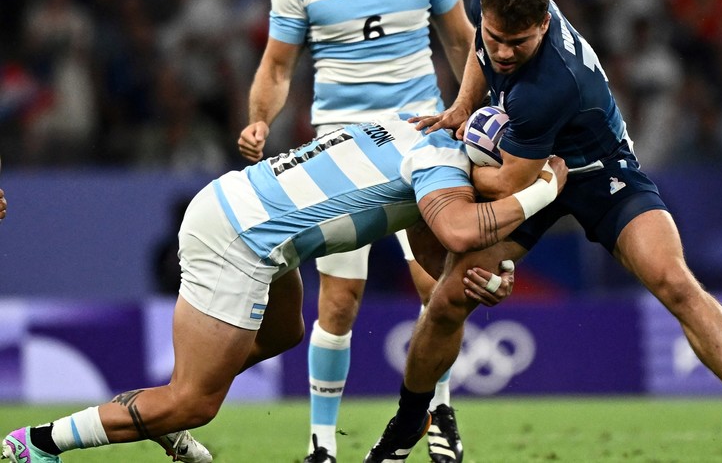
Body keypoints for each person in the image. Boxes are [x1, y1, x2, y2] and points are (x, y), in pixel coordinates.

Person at [365, 0, 722, 462]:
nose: (504, 53)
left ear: (545, 23)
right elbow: (477, 52)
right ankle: (407, 425)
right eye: (496, 38)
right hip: (532, 158)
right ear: (485, 15)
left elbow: (512, 180)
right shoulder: (493, 5)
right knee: (449, 298)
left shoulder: (552, 83)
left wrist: (451, 163)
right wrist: (462, 109)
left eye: (520, 43)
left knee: (673, 280)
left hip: (600, 172)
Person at [1, 114, 566, 463]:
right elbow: (461, 227)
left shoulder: (416, 128)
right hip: (240, 238)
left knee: (284, 332)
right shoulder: (444, 166)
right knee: (194, 402)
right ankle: (38, 444)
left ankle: (155, 412)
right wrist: (544, 190)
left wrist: (479, 276)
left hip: (246, 212)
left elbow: (432, 248)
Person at [235, 0, 474, 461]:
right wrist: (260, 120)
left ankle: (439, 416)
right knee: (338, 302)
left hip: (420, 143)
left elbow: (463, 42)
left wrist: (471, 111)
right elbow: (277, 65)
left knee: (435, 289)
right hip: (339, 151)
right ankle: (321, 446)